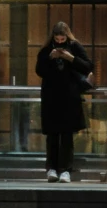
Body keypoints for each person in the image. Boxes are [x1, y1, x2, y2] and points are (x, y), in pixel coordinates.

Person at [35, 22, 95, 183]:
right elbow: (40, 70)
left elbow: (88, 66)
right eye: (57, 39)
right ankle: (52, 169)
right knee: (52, 135)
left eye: (62, 39)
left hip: (69, 97)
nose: (60, 42)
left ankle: (66, 170)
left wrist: (71, 58)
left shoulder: (75, 47)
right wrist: (50, 57)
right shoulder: (46, 50)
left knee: (67, 135)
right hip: (51, 97)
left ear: (67, 37)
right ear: (53, 37)